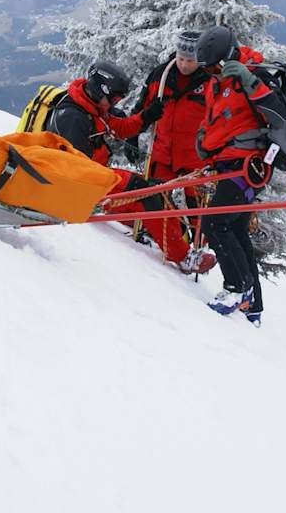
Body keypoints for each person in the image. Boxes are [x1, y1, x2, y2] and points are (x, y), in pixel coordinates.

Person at [47, 60, 190, 257]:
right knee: (143, 191)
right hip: (80, 184)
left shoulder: (90, 106)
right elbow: (78, 170)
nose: (115, 104)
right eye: (113, 100)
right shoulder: (74, 118)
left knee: (149, 191)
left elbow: (119, 127)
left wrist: (145, 117)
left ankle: (164, 236)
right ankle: (182, 256)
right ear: (100, 90)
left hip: (91, 177)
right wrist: (134, 184)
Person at [194, 26, 271, 325]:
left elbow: (274, 113)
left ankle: (238, 288)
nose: (212, 72)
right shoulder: (219, 82)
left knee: (214, 222)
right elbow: (215, 119)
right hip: (229, 164)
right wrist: (204, 141)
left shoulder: (254, 75)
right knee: (236, 229)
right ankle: (254, 306)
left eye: (214, 66)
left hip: (248, 167)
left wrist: (251, 82)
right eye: (208, 68)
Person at [130, 31, 217, 274]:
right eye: (181, 58)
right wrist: (134, 134)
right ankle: (152, 237)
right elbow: (143, 106)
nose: (184, 64)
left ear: (199, 59)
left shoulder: (210, 81)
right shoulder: (161, 75)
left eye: (189, 60)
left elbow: (219, 120)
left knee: (198, 211)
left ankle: (196, 249)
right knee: (154, 200)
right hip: (162, 153)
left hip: (195, 160)